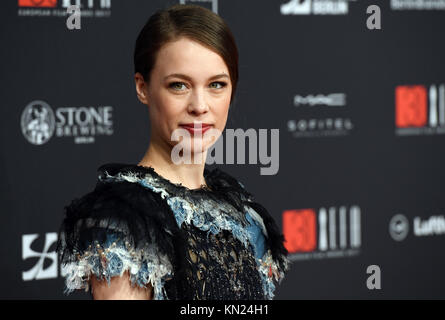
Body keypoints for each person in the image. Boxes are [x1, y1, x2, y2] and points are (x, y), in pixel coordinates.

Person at [56, 3, 290, 300]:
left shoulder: (243, 213)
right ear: (143, 87)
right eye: (179, 85)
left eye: (217, 84)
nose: (200, 105)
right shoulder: (125, 220)